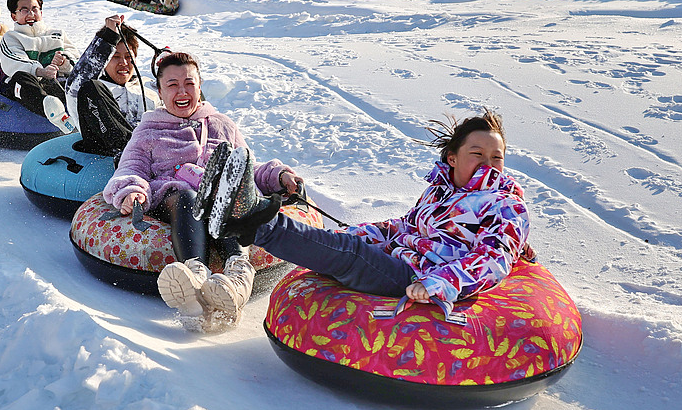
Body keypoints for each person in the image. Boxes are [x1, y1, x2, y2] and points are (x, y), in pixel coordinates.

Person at [196, 109, 533, 320]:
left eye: (497, 156)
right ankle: (228, 206)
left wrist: (439, 283)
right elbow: (406, 227)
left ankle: (251, 220)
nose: (488, 164)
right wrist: (359, 232)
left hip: (420, 278)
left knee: (351, 257)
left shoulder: (506, 205)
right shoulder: (440, 190)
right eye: (477, 153)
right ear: (453, 158)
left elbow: (493, 257)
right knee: (344, 242)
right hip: (404, 261)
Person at [103, 52, 299, 328]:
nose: (182, 92)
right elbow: (131, 168)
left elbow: (247, 167)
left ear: (199, 85)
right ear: (159, 91)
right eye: (172, 85)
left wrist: (278, 175)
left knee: (228, 190)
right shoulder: (148, 131)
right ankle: (194, 277)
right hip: (173, 201)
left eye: (189, 83)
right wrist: (132, 190)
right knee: (188, 195)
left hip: (221, 204)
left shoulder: (221, 124)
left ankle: (237, 277)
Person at [64, 15, 159, 157]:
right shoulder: (94, 89)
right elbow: (76, 84)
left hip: (152, 150)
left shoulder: (147, 86)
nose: (124, 63)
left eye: (128, 57)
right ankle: (127, 149)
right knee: (91, 88)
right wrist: (108, 39)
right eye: (115, 57)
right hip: (108, 152)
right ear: (105, 59)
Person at [0, 0, 80, 129]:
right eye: (24, 10)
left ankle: (79, 114)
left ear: (41, 11)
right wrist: (41, 71)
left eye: (34, 9)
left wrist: (64, 63)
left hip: (57, 83)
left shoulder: (57, 34)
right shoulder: (11, 37)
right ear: (14, 15)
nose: (31, 14)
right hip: (30, 85)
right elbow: (14, 62)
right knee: (20, 78)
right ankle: (56, 114)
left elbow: (76, 58)